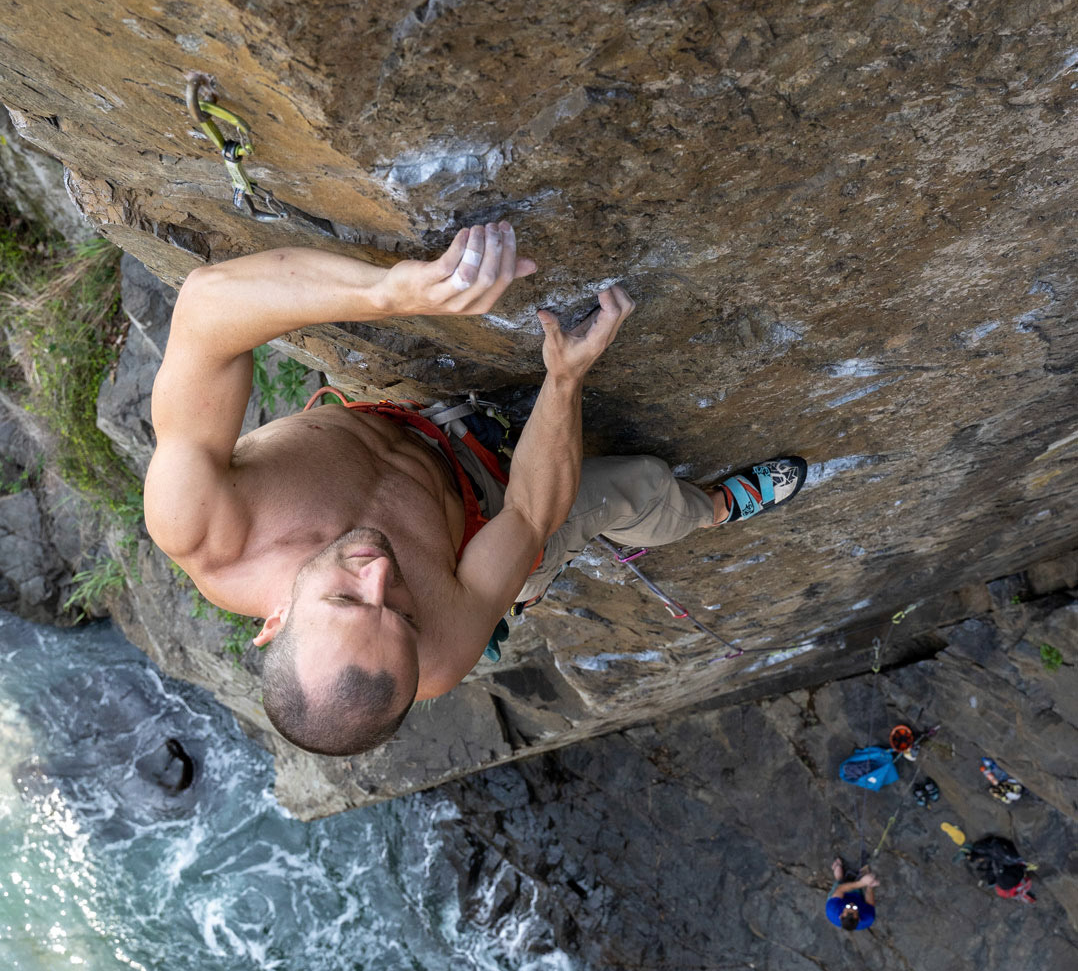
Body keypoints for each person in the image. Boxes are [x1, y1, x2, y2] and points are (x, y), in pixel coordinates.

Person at [144, 222, 807, 756]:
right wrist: (564, 380)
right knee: (637, 488)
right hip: (486, 511)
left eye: (346, 598)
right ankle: (712, 509)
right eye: (403, 612)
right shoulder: (437, 654)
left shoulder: (203, 527)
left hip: (399, 427)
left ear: (276, 622)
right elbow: (529, 510)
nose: (379, 573)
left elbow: (206, 308)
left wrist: (394, 293)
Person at [826, 858, 878, 931]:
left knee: (840, 881)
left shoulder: (833, 908)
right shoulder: (868, 917)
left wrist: (862, 883)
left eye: (848, 907)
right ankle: (860, 879)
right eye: (854, 908)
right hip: (857, 899)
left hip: (840, 897)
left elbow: (840, 889)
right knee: (860, 888)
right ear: (859, 918)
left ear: (841, 915)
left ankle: (837, 870)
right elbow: (870, 903)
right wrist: (870, 886)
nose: (852, 904)